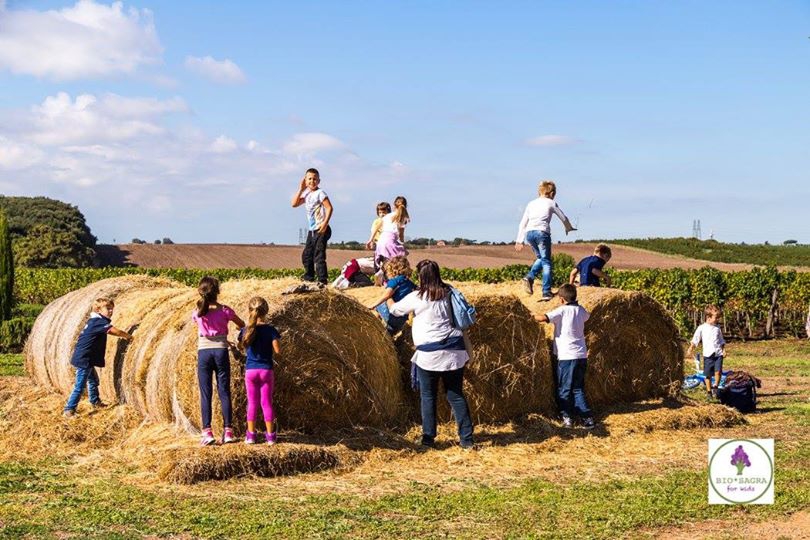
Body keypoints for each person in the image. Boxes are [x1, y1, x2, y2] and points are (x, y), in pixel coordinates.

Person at [389, 259, 474, 449]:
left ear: (421, 277)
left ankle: (428, 438)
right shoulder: (450, 292)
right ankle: (467, 440)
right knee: (456, 395)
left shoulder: (417, 296)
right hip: (455, 351)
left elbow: (395, 311)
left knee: (428, 396)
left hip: (429, 355)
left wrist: (388, 295)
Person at [192, 276, 245, 445]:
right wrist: (236, 329)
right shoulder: (225, 310)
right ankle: (228, 432)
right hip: (221, 351)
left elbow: (198, 323)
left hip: (204, 353)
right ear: (217, 292)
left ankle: (207, 432)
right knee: (224, 392)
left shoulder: (197, 312)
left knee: (206, 393)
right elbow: (242, 324)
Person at [534, 284, 595, 429]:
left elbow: (543, 318)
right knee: (578, 388)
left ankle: (567, 417)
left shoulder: (561, 310)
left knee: (564, 389)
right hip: (581, 355)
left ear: (561, 299)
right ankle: (587, 419)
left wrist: (527, 315)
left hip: (567, 356)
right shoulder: (580, 310)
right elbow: (587, 317)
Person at [63, 298, 133, 417]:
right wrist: (128, 336)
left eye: (112, 309)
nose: (111, 311)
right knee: (80, 386)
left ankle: (95, 401)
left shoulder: (94, 320)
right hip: (84, 359)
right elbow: (114, 331)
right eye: (108, 308)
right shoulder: (98, 321)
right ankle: (69, 410)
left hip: (87, 357)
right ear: (98, 310)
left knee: (93, 381)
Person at [515, 180, 576, 300]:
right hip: (542, 233)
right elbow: (563, 217)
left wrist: (519, 240)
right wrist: (569, 228)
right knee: (547, 262)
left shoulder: (531, 203)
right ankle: (546, 292)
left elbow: (522, 223)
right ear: (552, 193)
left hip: (529, 234)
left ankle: (529, 277)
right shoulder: (551, 202)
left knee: (541, 258)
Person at [238, 297, 281, 445]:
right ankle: (270, 437)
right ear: (266, 311)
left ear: (249, 311)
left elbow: (241, 346)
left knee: (252, 403)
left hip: (251, 371)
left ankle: (251, 436)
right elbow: (277, 350)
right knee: (266, 403)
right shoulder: (271, 330)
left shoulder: (245, 330)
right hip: (266, 370)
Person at [291, 168, 334, 285]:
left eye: (315, 179)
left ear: (319, 181)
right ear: (305, 180)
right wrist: (301, 189)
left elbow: (329, 208)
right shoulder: (307, 193)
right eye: (309, 179)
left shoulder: (320, 193)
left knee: (319, 255)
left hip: (321, 228)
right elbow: (294, 204)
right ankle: (309, 278)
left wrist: (325, 224)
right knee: (307, 255)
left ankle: (322, 281)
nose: (312, 181)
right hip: (312, 230)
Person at [366, 256, 416, 334]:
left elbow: (386, 295)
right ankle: (390, 331)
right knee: (390, 331)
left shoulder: (394, 281)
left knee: (381, 304)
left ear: (392, 269)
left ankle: (377, 322)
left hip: (390, 315)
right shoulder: (410, 283)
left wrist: (373, 305)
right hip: (402, 319)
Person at [686, 305, 726, 400]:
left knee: (718, 372)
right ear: (708, 317)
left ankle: (715, 386)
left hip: (718, 354)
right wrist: (691, 348)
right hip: (708, 354)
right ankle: (709, 392)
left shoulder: (717, 328)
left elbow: (721, 340)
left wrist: (723, 350)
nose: (717, 319)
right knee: (707, 375)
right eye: (716, 317)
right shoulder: (702, 328)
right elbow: (696, 339)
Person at [374, 196, 409, 265]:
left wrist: (370, 240)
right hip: (389, 243)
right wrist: (403, 245)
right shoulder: (402, 217)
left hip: (380, 244)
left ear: (394, 205)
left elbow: (376, 228)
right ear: (406, 206)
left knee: (384, 265)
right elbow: (401, 235)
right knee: (402, 260)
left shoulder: (387, 216)